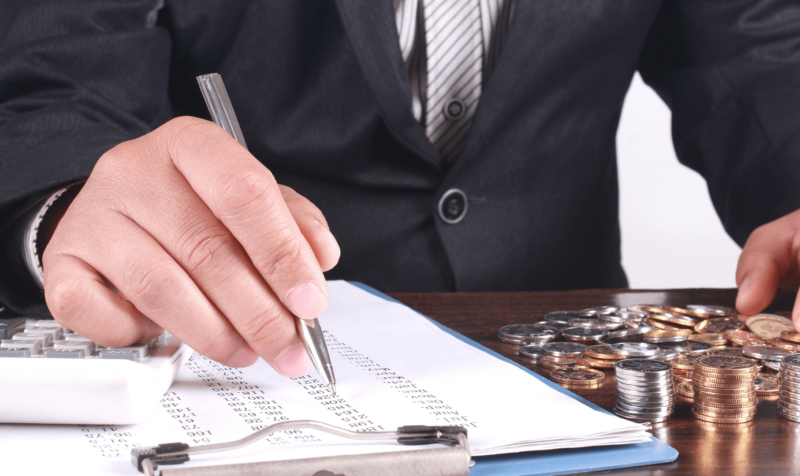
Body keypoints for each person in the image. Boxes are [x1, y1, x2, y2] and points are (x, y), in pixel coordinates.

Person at [1, 1, 799, 377]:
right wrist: (71, 202)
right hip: (226, 367)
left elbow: (760, 52)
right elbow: (58, 70)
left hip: (576, 371)